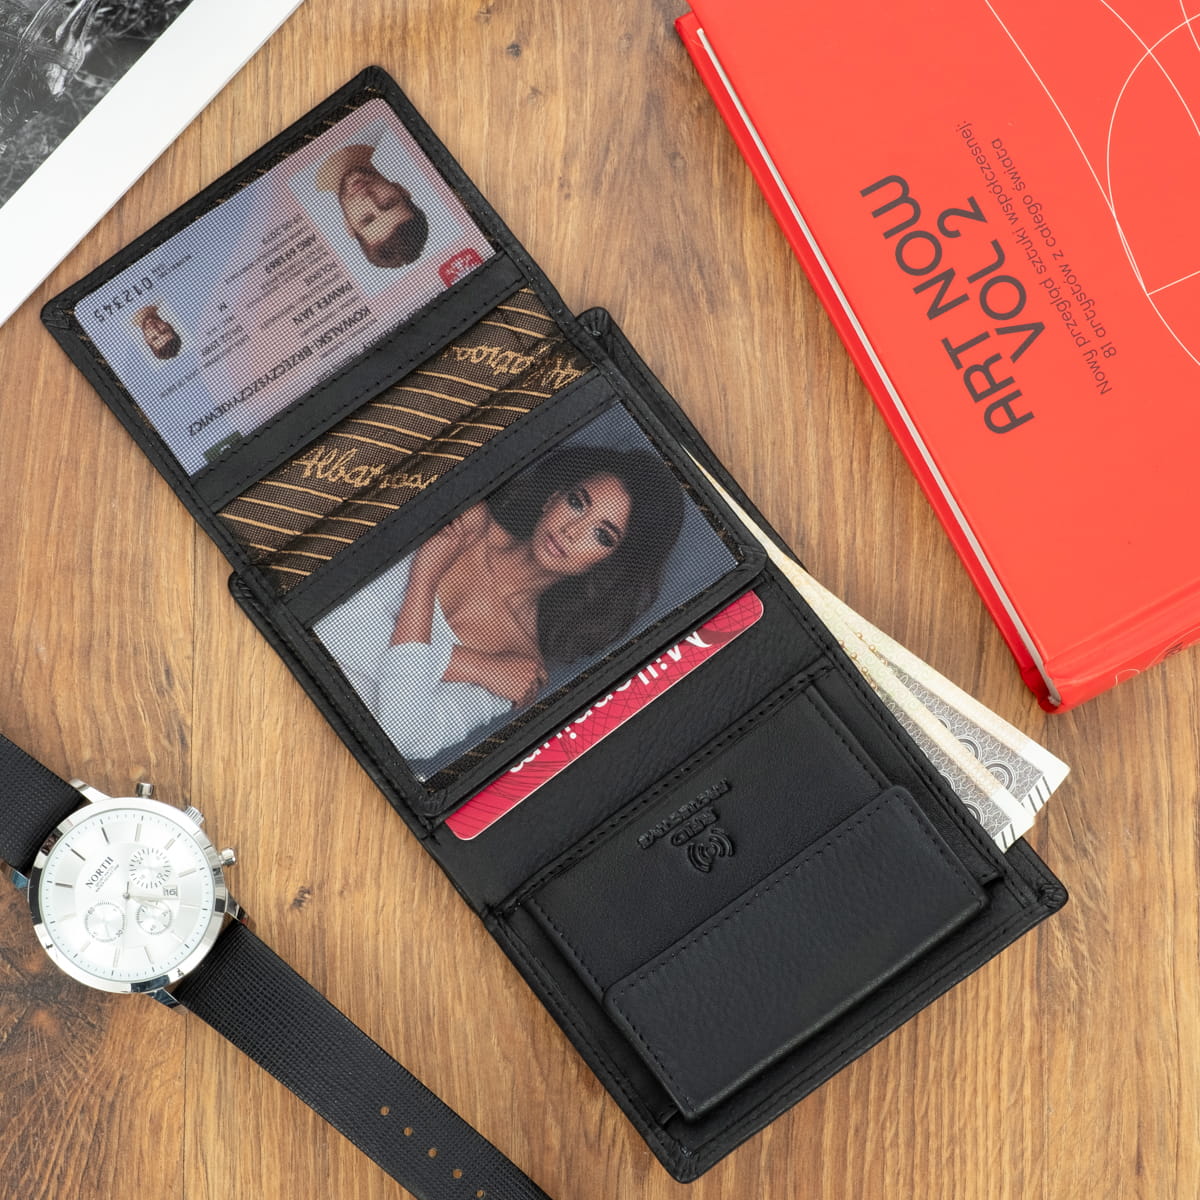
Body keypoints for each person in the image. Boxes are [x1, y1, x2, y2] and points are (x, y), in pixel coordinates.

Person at [315, 445, 686, 767]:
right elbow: (325, 615)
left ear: (609, 562)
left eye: (602, 535)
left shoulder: (521, 664)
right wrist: (477, 665)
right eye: (577, 502)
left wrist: (426, 575)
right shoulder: (466, 519)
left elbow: (402, 735)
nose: (572, 531)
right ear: (553, 498)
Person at [315, 144, 429, 268]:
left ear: (349, 226)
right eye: (388, 203)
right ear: (401, 189)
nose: (369, 199)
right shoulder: (397, 143)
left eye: (366, 219)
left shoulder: (305, 187)